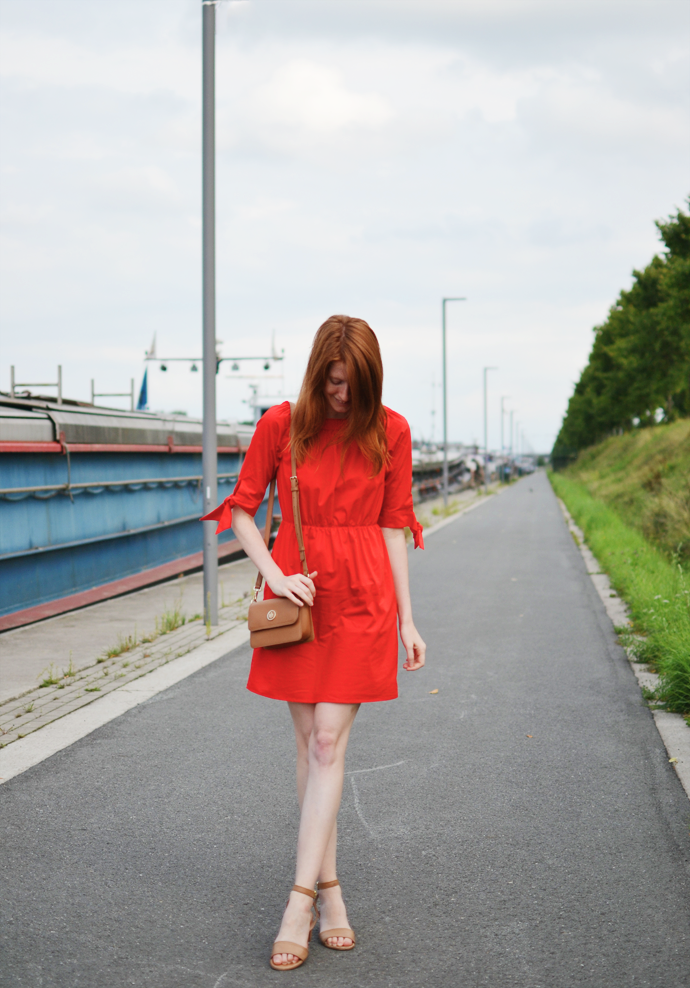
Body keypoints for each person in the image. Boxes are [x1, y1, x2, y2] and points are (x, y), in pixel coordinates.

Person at [202, 314, 426, 971]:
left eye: (352, 383)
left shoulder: (392, 430)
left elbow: (393, 526)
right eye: (332, 381)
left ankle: (297, 900)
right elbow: (240, 508)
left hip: (363, 600)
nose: (341, 395)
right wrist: (274, 574)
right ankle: (331, 891)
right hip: (296, 598)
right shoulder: (282, 425)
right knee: (308, 743)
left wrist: (408, 620)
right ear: (316, 374)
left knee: (329, 738)